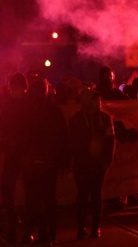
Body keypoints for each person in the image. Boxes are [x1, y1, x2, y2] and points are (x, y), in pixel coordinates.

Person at [21, 77, 69, 246]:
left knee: (35, 199)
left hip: (38, 163)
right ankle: (48, 233)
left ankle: (39, 231)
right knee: (46, 200)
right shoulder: (52, 111)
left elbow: (60, 138)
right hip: (45, 163)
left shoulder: (29, 111)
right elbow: (62, 138)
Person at [69, 89, 116, 240]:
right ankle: (81, 228)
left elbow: (111, 140)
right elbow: (72, 143)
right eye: (94, 100)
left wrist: (106, 161)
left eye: (99, 100)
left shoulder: (105, 118)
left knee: (96, 195)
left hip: (98, 164)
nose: (98, 102)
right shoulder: (76, 119)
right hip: (82, 163)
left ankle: (96, 227)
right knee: (82, 196)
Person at [0, 73, 28, 244]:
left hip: (24, 154)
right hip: (15, 154)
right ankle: (14, 224)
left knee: (27, 192)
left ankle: (23, 226)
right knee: (8, 190)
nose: (14, 91)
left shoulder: (29, 107)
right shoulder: (8, 106)